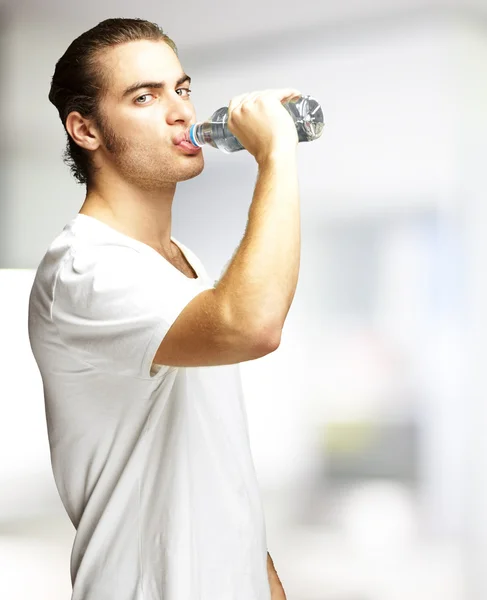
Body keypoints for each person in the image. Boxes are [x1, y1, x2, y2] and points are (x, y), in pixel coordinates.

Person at [28, 17, 301, 600]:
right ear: (86, 129)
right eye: (145, 96)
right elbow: (252, 326)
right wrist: (276, 154)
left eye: (181, 88)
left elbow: (212, 464)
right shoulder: (85, 269)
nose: (180, 112)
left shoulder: (185, 264)